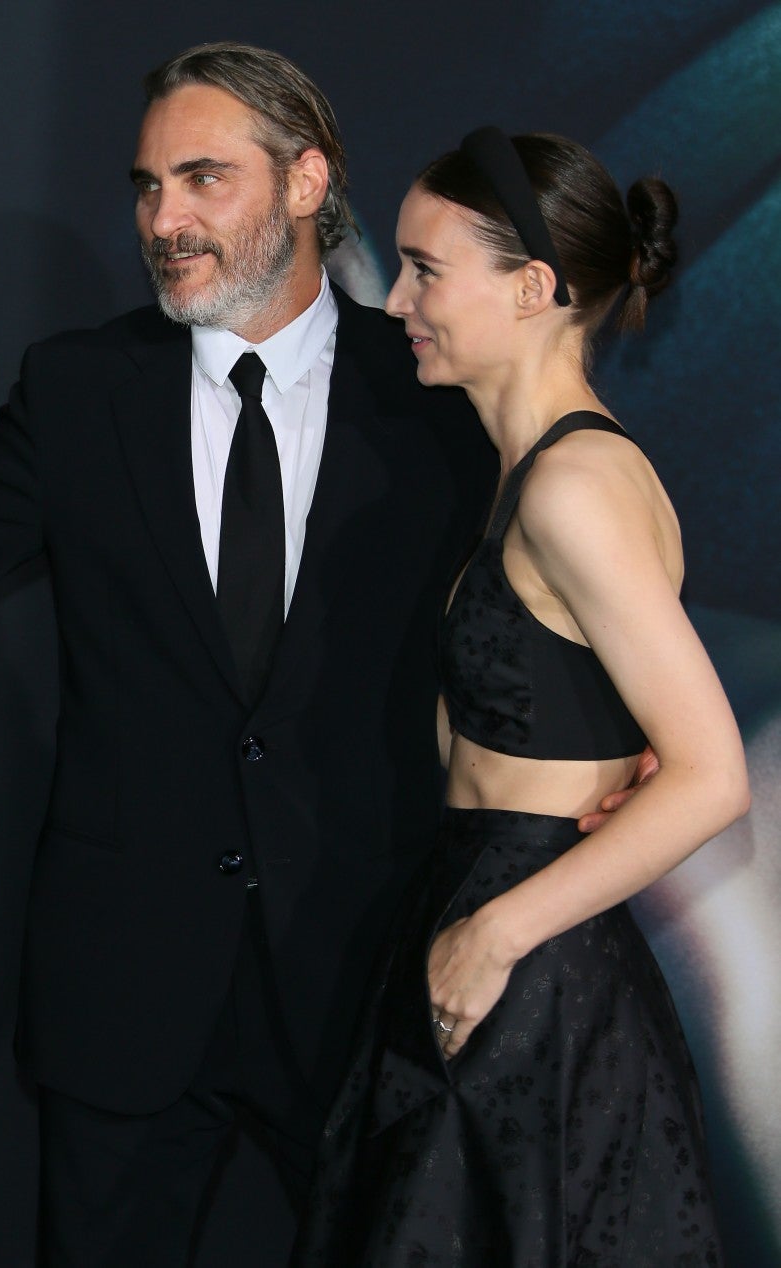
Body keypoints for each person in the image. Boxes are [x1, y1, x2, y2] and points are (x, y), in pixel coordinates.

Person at [0, 53, 643, 1265]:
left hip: (371, 976)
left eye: (203, 178)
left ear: (306, 181)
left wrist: (611, 747)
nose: (164, 219)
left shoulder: (435, 385)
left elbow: (566, 598)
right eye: (147, 185)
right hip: (122, 990)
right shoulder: (80, 386)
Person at [290, 128, 749, 1266]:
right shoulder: (536, 471)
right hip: (498, 931)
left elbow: (711, 773)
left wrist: (496, 936)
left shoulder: (573, 485)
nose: (397, 301)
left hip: (532, 963)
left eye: (425, 270)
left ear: (533, 287)